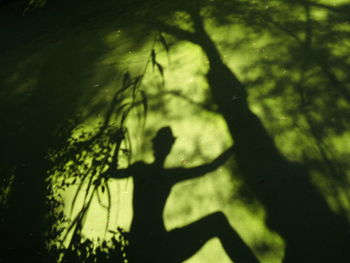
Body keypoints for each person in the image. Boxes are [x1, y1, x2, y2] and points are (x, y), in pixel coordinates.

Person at [106, 126, 259, 263]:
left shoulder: (160, 173)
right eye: (165, 143)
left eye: (168, 144)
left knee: (217, 221)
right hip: (149, 249)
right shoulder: (145, 170)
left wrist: (235, 147)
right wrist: (116, 143)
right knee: (217, 221)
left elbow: (209, 167)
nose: (166, 147)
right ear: (158, 145)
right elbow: (112, 172)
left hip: (158, 246)